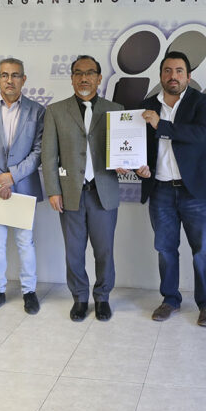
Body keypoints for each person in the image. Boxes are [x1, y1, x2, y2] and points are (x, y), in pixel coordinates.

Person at [135, 51, 206, 327]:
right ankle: (170, 299)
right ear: (161, 75)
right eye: (168, 71)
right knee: (165, 249)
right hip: (160, 190)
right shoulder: (147, 106)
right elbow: (141, 147)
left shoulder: (203, 102)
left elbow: (199, 135)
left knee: (202, 250)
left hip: (194, 191)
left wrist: (161, 125)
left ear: (188, 76)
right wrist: (139, 167)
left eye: (179, 71)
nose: (173, 76)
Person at [41, 55, 124, 322]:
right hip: (70, 194)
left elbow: (124, 149)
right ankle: (79, 298)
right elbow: (48, 155)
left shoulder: (115, 110)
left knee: (104, 251)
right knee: (74, 252)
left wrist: (126, 163)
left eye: (90, 73)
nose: (84, 78)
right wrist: (53, 190)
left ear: (99, 78)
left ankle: (102, 298)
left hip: (103, 193)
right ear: (72, 78)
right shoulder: (55, 111)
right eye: (78, 73)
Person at [0, 58, 45, 315]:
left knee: (26, 242)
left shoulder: (37, 111)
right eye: (4, 75)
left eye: (15, 75)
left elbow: (39, 151)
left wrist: (11, 177)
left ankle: (29, 292)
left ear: (23, 79)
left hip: (22, 186)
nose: (9, 80)